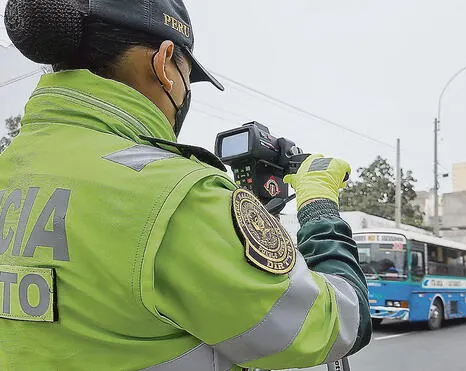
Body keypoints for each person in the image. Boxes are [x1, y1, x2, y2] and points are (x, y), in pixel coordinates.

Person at [0, 0, 371, 370]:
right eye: (186, 73)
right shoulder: (175, 195)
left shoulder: (10, 167)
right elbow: (333, 325)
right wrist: (319, 204)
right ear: (164, 65)